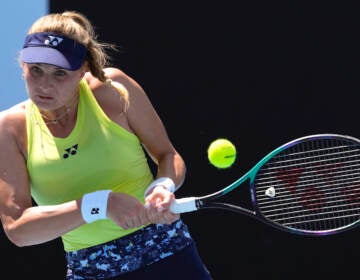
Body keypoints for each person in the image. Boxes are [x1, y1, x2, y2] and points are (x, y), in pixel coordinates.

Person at [0, 10, 212, 280]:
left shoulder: (112, 89)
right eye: (36, 70)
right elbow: (18, 228)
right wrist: (99, 203)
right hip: (90, 270)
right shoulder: (8, 129)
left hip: (169, 254)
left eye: (59, 74)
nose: (44, 85)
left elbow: (167, 155)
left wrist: (163, 186)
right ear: (23, 68)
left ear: (83, 70)